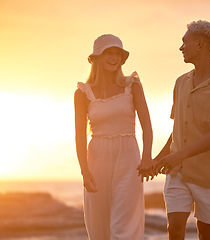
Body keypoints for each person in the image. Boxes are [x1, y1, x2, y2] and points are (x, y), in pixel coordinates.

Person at [154, 20, 210, 240]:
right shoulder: (180, 83)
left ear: (200, 44)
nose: (181, 47)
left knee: (206, 232)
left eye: (185, 41)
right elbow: (177, 129)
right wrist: (159, 158)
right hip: (179, 171)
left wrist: (178, 156)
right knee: (174, 228)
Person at [74, 34, 154, 240]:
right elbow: (79, 135)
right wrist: (84, 170)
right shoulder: (83, 93)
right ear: (97, 57)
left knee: (123, 226)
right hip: (96, 159)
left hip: (128, 157)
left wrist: (147, 157)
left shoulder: (132, 85)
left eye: (117, 53)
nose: (113, 57)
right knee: (99, 226)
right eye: (108, 52)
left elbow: (147, 126)